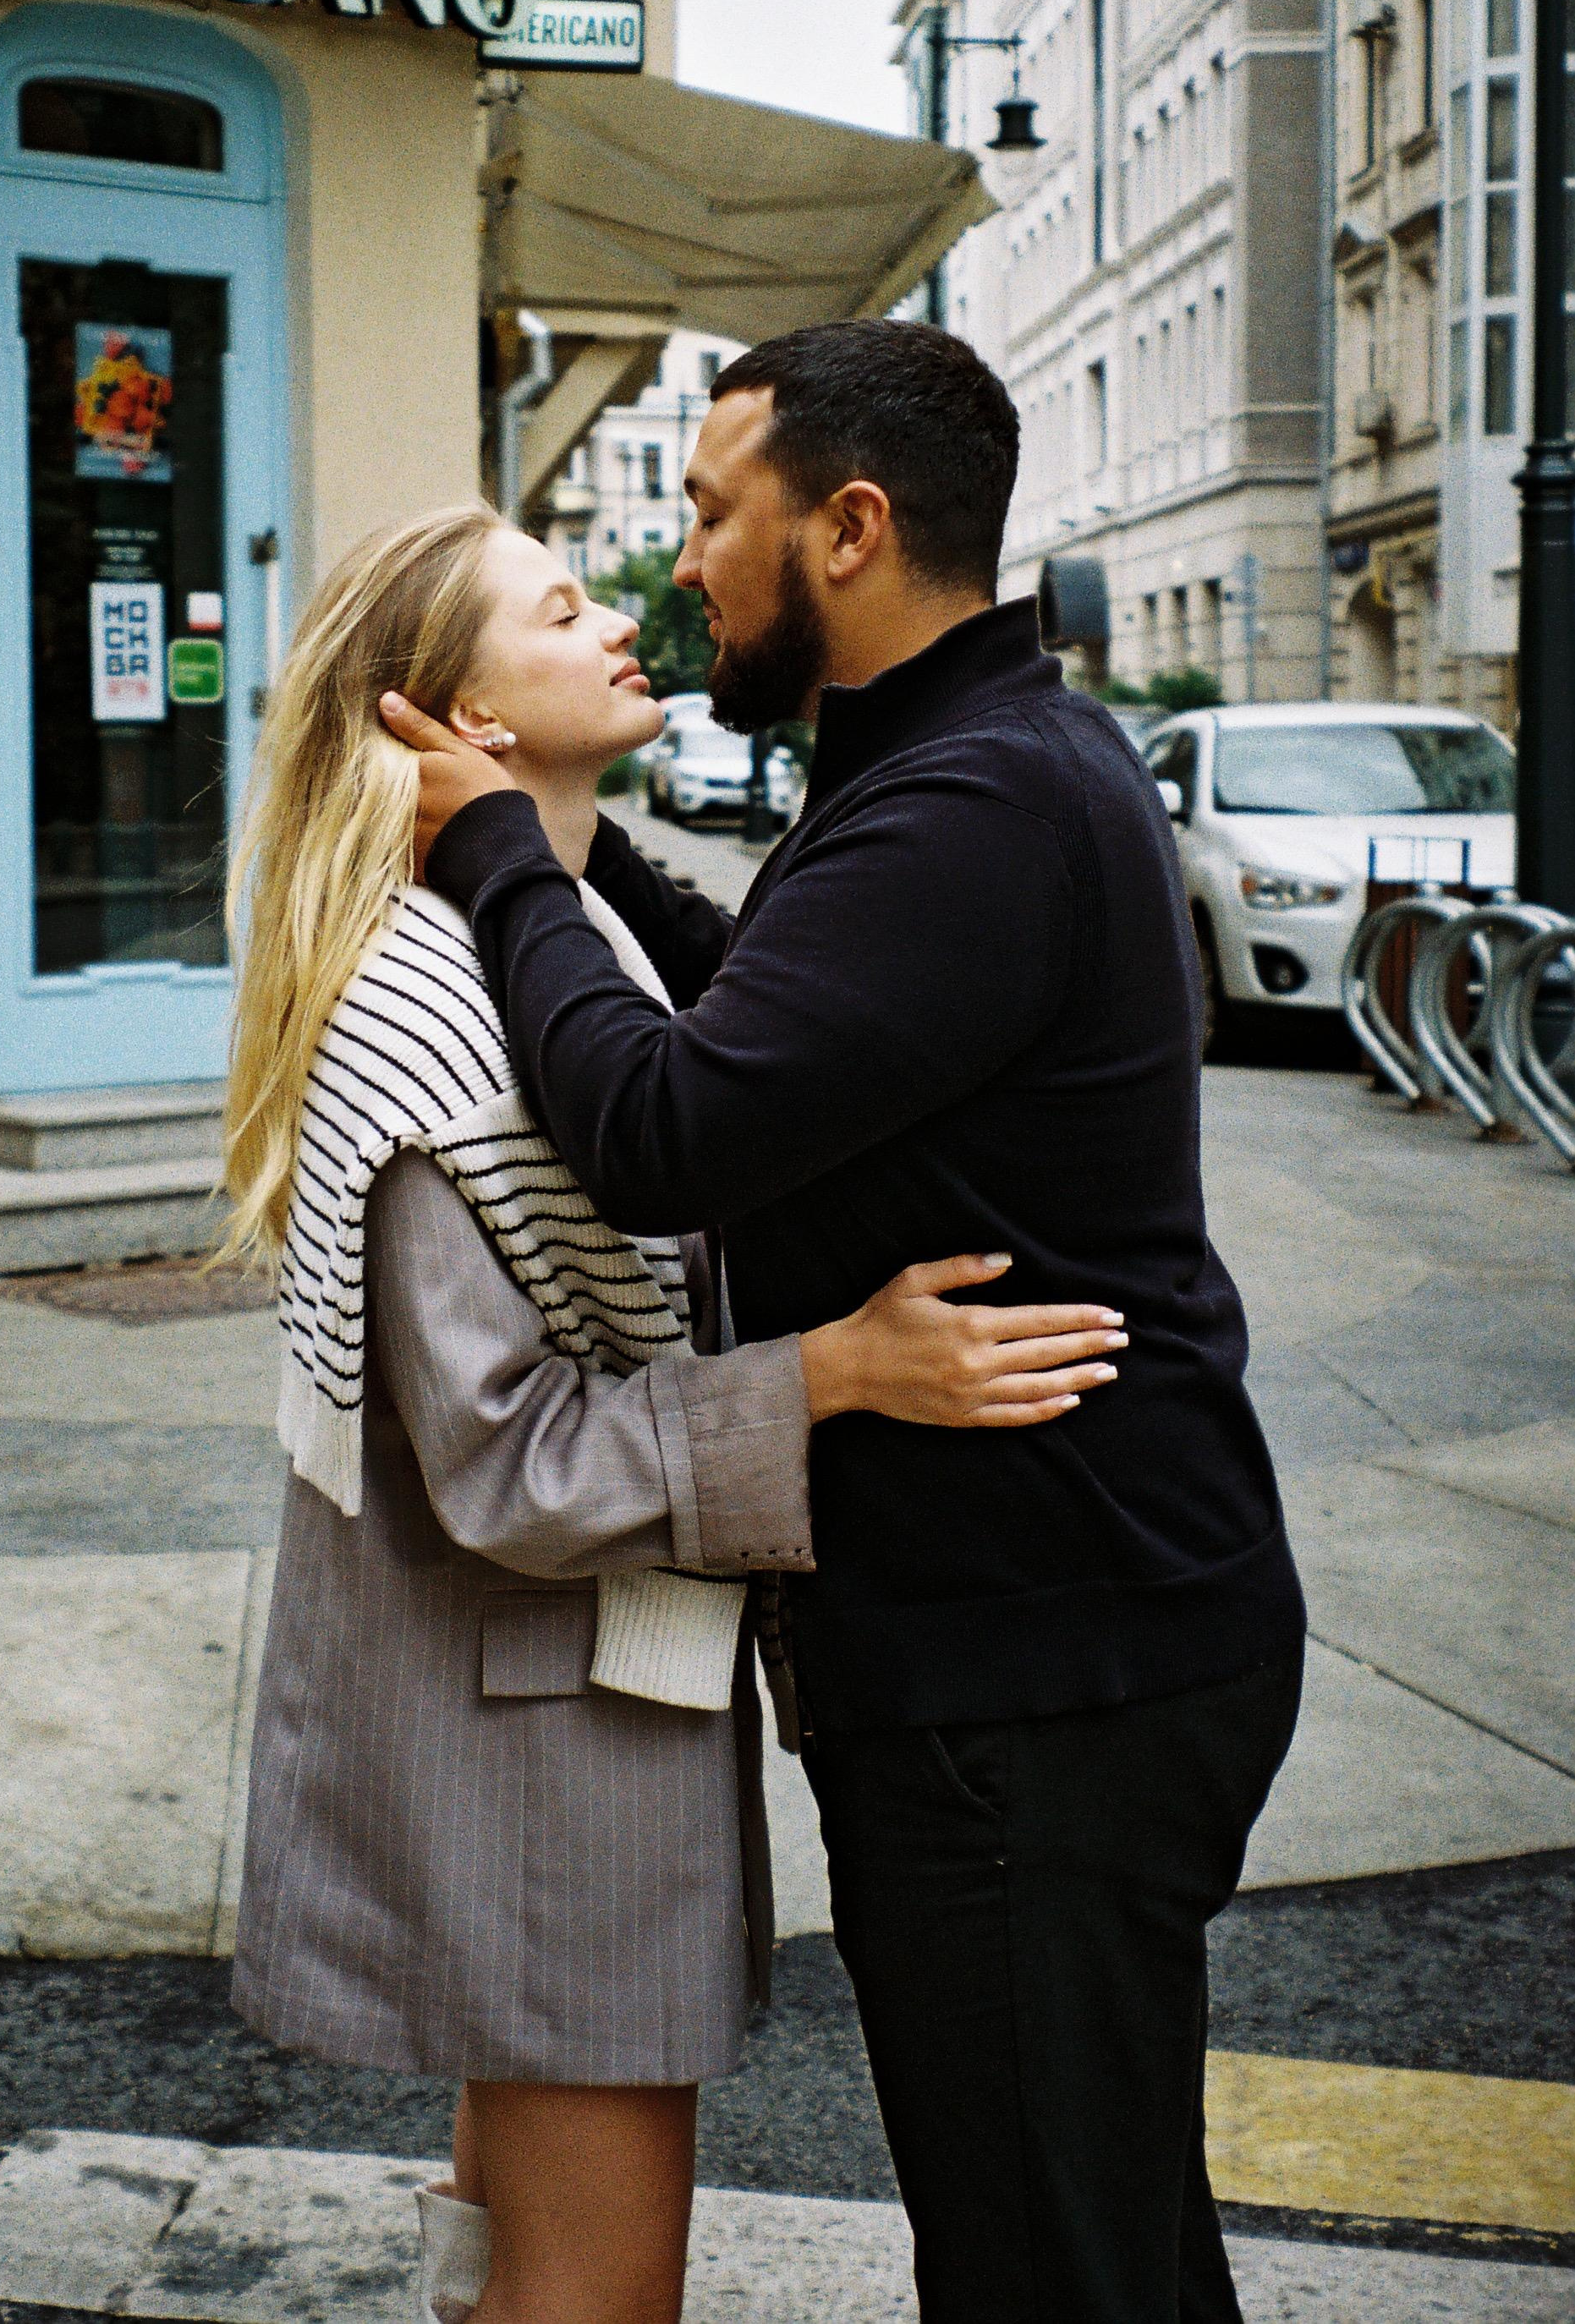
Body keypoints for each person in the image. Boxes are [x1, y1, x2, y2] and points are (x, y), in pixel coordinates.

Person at [380, 325, 1308, 2324]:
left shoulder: (971, 801)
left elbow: (660, 1121)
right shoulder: (960, 768)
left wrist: (485, 853)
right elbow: (768, 1018)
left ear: (850, 529)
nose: (678, 568)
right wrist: (565, 834)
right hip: (1066, 1643)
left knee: (1044, 2266)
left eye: (713, 514)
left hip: (1040, 1675)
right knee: (1103, 2239)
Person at [222, 500, 1130, 2324]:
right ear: (463, 718)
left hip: (557, 1700)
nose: (623, 615)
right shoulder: (435, 1015)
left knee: (513, 2249)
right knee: (596, 2289)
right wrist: (834, 1371)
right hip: (537, 1733)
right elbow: (501, 1463)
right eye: (557, 611)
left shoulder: (534, 944)